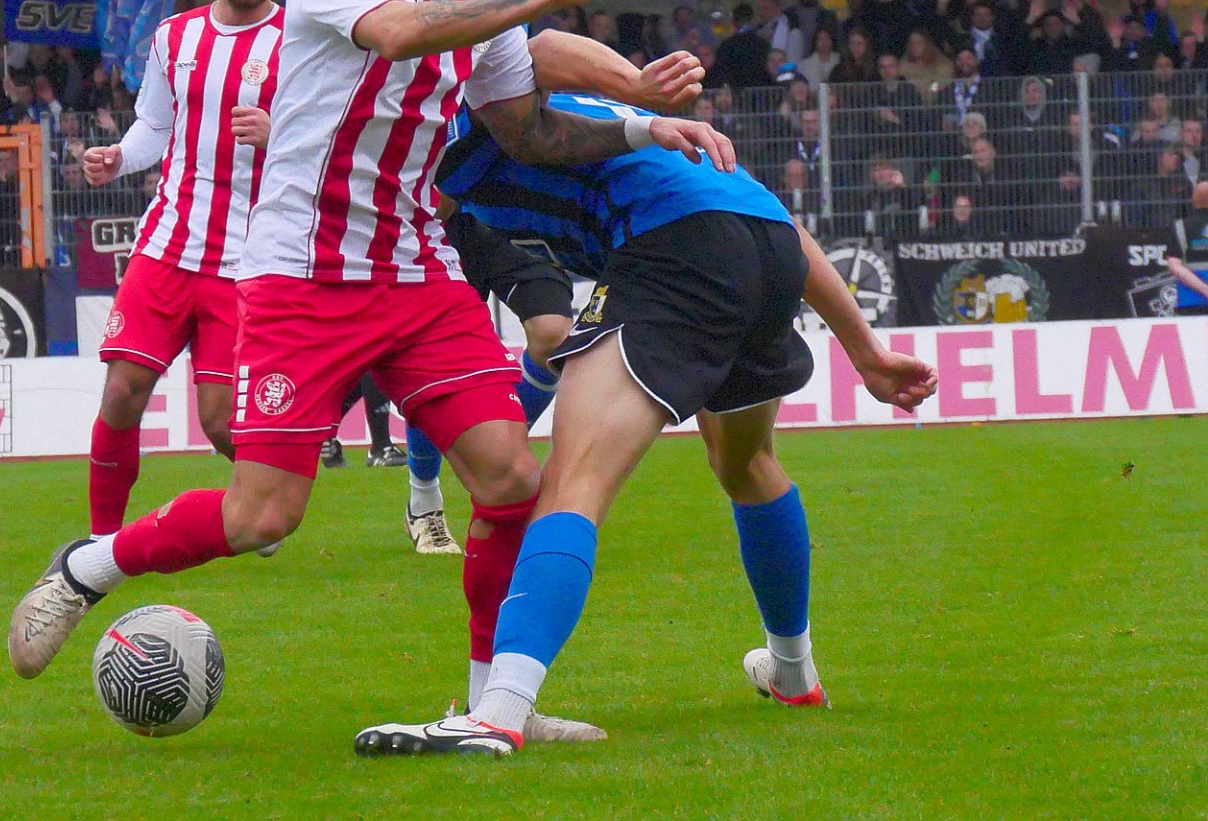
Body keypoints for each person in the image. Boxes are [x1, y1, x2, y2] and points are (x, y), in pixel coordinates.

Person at [7, 0, 732, 745]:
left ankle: (490, 705)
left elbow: (527, 130)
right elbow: (395, 35)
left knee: (513, 478)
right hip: (303, 273)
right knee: (263, 516)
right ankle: (89, 565)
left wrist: (640, 128)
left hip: (418, 269)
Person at [354, 90, 937, 757]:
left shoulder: (453, 109)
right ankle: (794, 673)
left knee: (572, 484)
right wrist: (866, 352)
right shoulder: (589, 110)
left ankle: (499, 713)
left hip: (672, 245)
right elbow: (776, 219)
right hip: (767, 247)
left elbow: (517, 71)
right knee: (747, 464)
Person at [403, 33, 707, 556]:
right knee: (440, 368)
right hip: (450, 231)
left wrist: (636, 89)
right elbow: (431, 196)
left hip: (522, 222)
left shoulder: (503, 54)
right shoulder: (421, 78)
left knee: (552, 336)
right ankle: (424, 496)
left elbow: (546, 49)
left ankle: (499, 460)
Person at [77, 0, 288, 537]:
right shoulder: (176, 36)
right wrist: (120, 157)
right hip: (168, 246)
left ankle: (264, 507)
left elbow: (330, 141)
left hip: (245, 263)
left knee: (221, 421)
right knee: (122, 392)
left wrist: (277, 134)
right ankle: (99, 544)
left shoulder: (301, 45)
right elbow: (155, 124)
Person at [1165, 182, 1208, 314]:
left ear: (1193, 201)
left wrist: (1205, 290)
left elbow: (1174, 266)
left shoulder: (1179, 227)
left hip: (1190, 301)